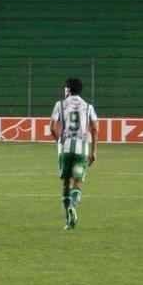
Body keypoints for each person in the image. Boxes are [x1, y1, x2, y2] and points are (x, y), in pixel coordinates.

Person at [50, 78, 98, 230]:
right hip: (81, 149)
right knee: (77, 181)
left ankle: (68, 217)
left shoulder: (60, 104)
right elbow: (95, 129)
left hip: (65, 149)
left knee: (65, 182)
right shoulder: (88, 106)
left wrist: (60, 140)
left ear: (68, 89)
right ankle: (73, 206)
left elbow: (52, 127)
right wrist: (94, 151)